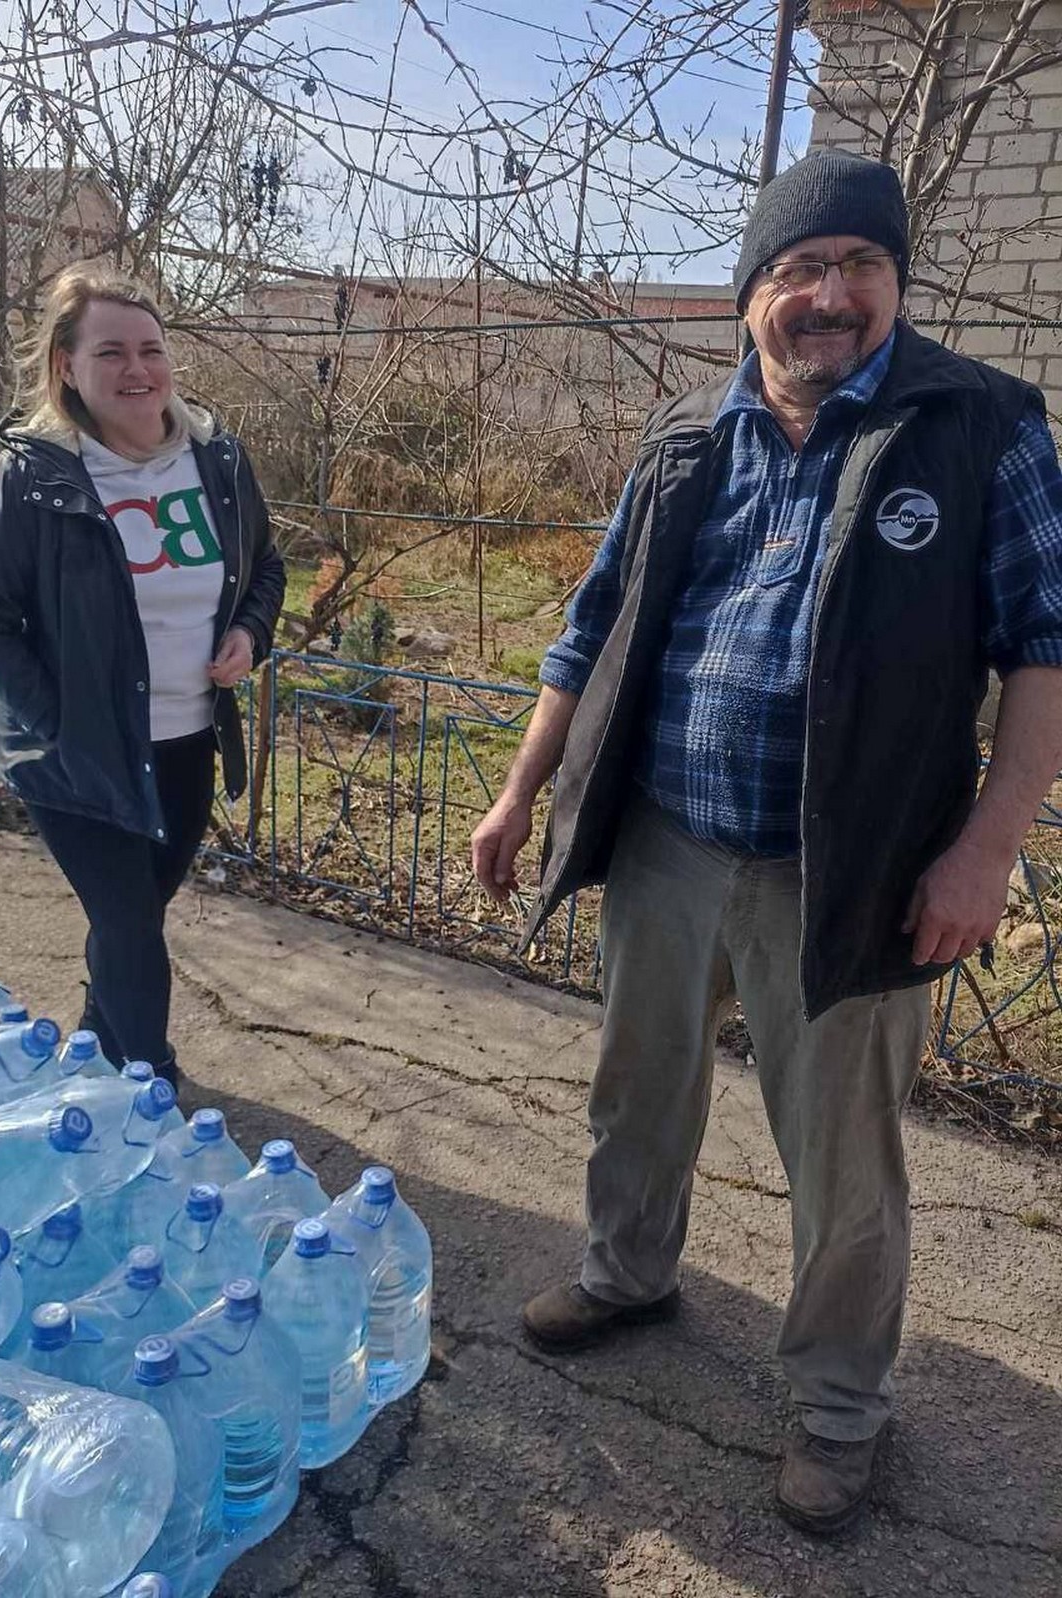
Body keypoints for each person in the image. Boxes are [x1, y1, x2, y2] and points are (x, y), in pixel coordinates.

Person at [470, 149, 1062, 1534]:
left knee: (844, 1161)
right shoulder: (688, 438)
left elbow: (1046, 645)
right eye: (799, 268)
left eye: (860, 265)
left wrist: (985, 852)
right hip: (670, 839)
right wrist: (517, 790)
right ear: (752, 296)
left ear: (897, 284)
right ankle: (628, 1271)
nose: (829, 294)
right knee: (641, 1084)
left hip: (849, 866)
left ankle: (841, 1406)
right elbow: (592, 623)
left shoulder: (979, 427)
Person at [0, 264, 285, 1088]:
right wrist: (59, 719)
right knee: (133, 928)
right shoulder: (28, 480)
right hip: (80, 759)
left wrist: (248, 631)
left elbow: (266, 567)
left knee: (134, 915)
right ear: (66, 366)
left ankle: (95, 1050)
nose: (138, 371)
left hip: (186, 744)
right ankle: (152, 1093)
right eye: (112, 353)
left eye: (151, 350)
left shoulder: (218, 462)